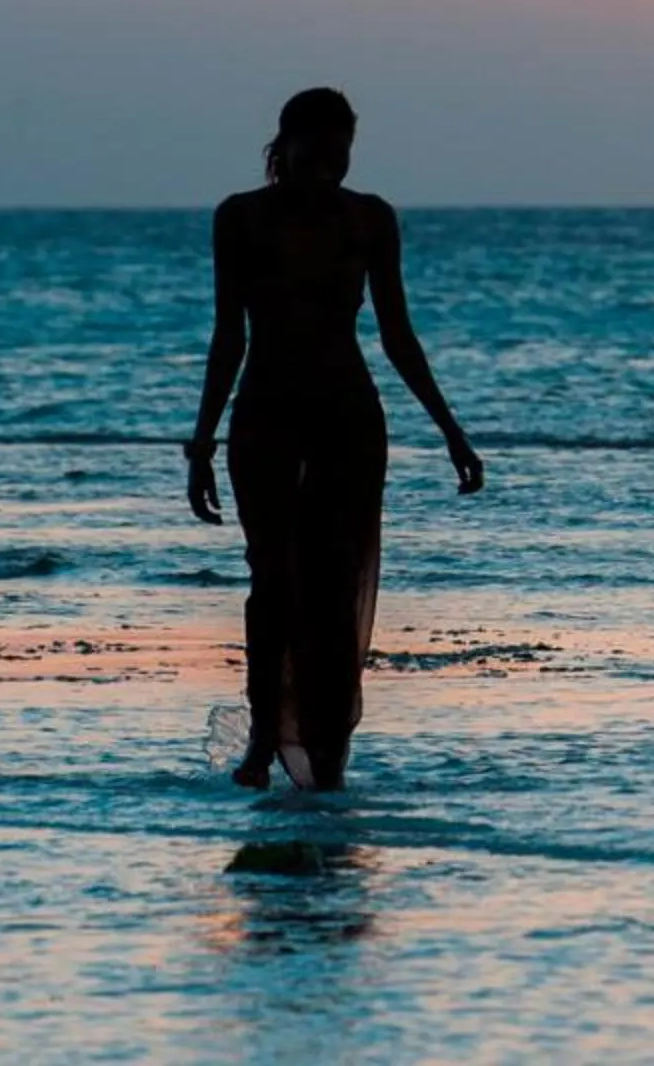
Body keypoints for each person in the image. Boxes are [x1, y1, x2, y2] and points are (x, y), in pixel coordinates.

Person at [184, 87, 484, 790]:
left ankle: (326, 748)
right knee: (273, 578)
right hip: (265, 413)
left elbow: (397, 334)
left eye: (341, 151)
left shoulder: (369, 220)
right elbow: (229, 333)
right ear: (282, 147)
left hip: (348, 416)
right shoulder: (241, 220)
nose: (328, 164)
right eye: (314, 150)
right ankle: (263, 737)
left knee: (333, 583)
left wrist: (451, 431)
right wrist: (200, 442)